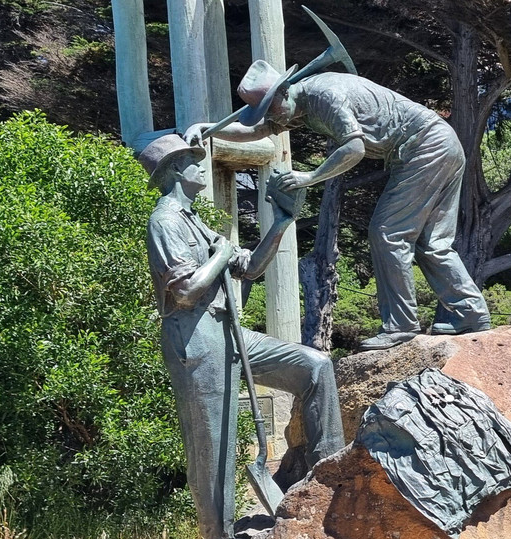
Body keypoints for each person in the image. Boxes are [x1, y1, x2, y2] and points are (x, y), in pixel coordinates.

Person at [137, 133, 345, 539]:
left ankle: (332, 476)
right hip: (195, 339)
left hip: (230, 331)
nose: (200, 167)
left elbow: (249, 267)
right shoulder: (166, 221)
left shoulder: (193, 220)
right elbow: (189, 291)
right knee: (213, 441)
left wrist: (282, 221)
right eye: (193, 161)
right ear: (174, 171)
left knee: (315, 367)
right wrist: (221, 254)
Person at [187, 60, 491, 351]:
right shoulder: (294, 106)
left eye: (273, 110)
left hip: (426, 147)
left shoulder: (324, 95)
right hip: (438, 144)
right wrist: (209, 128)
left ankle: (401, 324)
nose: (275, 119)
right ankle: (470, 313)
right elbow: (256, 131)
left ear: (283, 91)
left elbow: (354, 147)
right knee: (432, 243)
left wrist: (311, 176)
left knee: (388, 233)